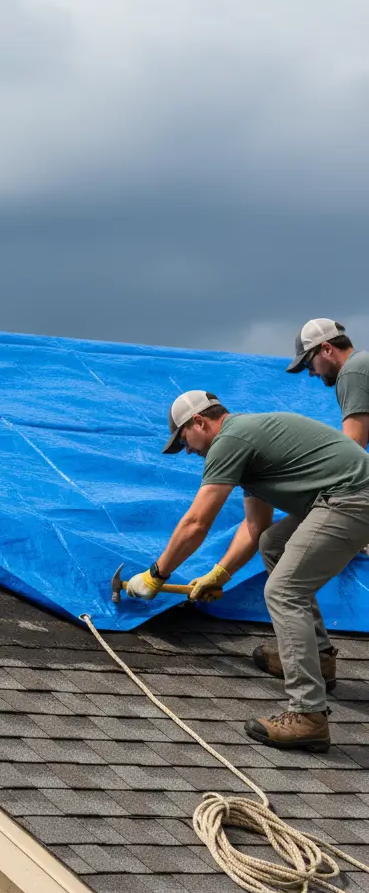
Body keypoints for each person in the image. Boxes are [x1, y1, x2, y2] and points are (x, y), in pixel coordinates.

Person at [124, 390, 369, 751]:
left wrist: (156, 574)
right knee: (275, 542)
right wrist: (220, 574)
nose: (188, 451)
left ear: (199, 422)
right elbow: (256, 528)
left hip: (350, 498)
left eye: (184, 441)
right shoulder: (249, 441)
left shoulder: (230, 441)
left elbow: (196, 522)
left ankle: (308, 715)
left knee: (285, 591)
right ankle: (317, 659)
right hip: (347, 496)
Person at [287, 317, 369, 449]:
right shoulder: (362, 363)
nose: (311, 373)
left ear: (326, 349)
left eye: (309, 364)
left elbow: (354, 447)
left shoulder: (352, 371)